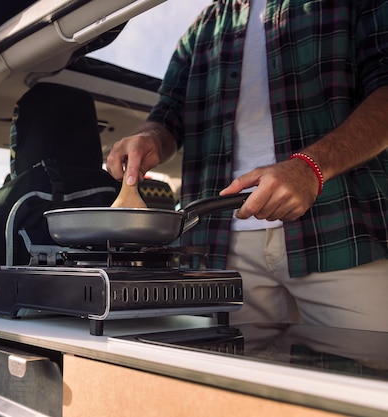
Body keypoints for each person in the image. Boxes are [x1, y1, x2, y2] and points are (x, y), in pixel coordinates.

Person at [106, 0, 388, 332]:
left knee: (368, 375)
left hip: (342, 234)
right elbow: (169, 113)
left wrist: (311, 167)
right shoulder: (202, 27)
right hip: (219, 253)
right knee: (221, 378)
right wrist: (149, 137)